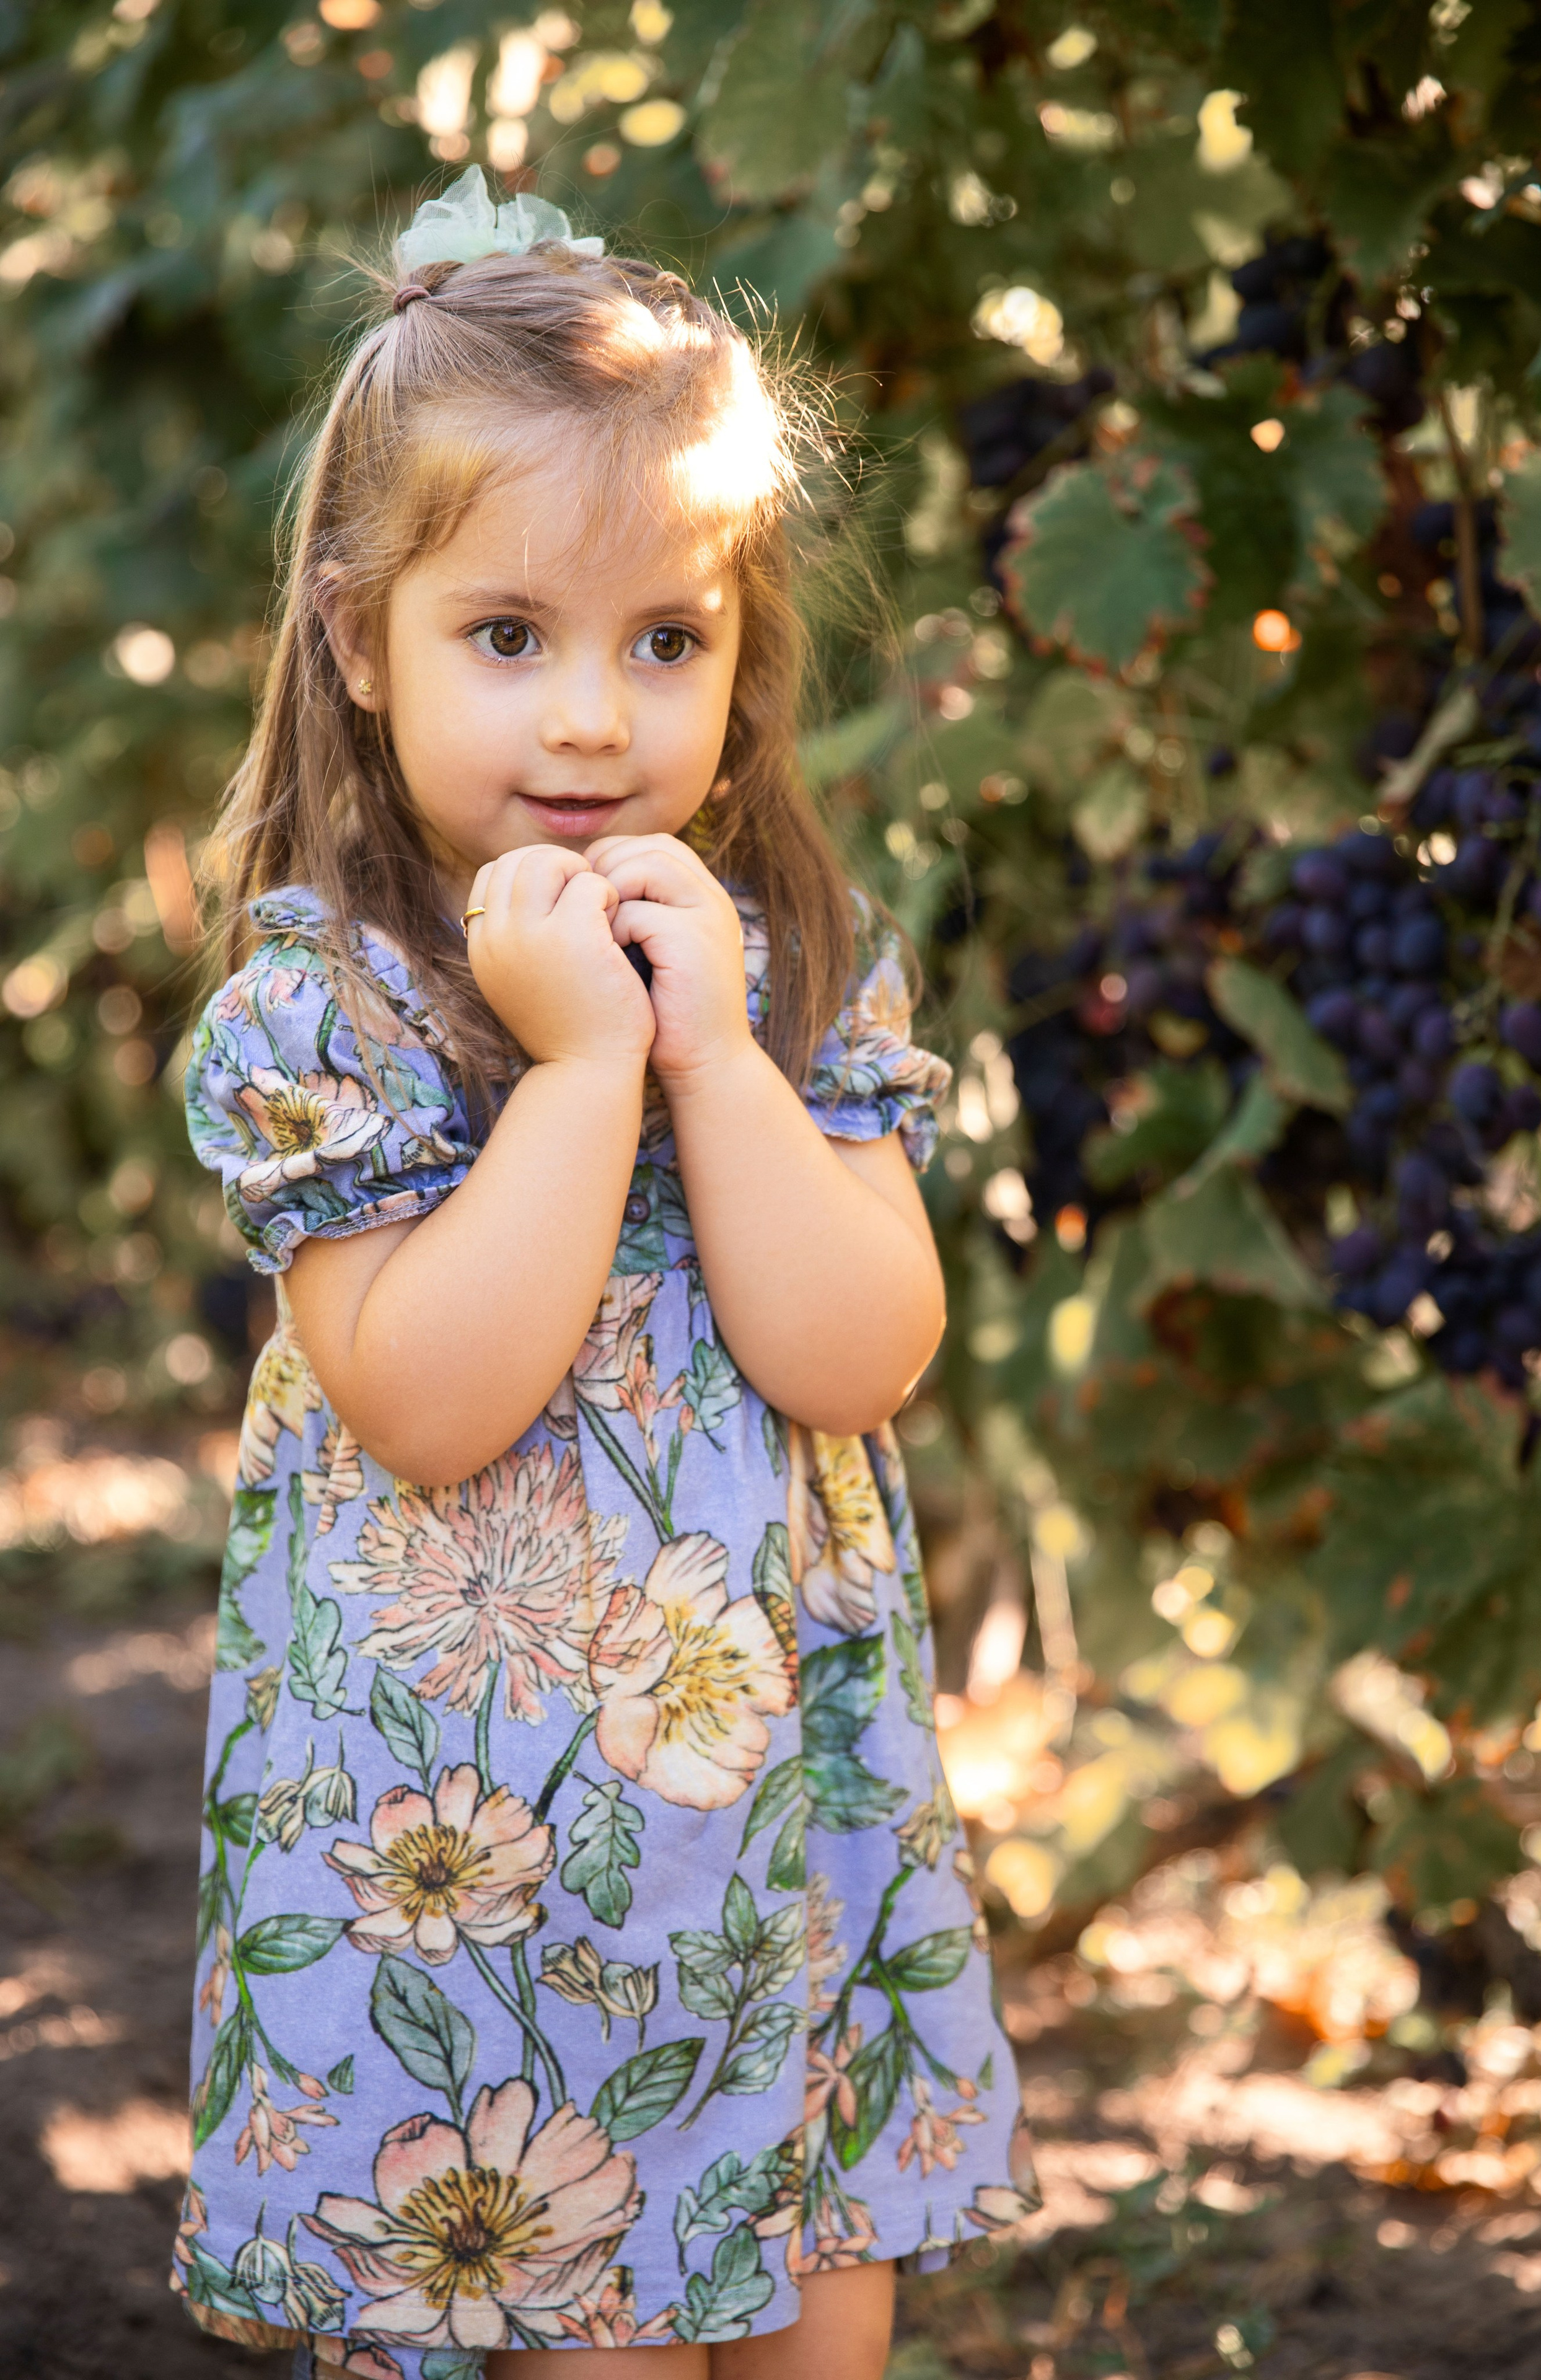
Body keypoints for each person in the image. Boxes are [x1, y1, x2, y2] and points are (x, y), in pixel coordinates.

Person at [173, 169, 1034, 2380]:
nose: (591, 720)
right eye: (509, 637)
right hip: (473, 1864)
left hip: (779, 1834)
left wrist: (715, 1051)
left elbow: (857, 1355)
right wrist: (576, 1081)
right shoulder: (328, 1014)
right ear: (362, 641)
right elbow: (433, 1399)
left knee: (817, 2329)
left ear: (745, 660)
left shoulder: (788, 970)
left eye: (669, 640)